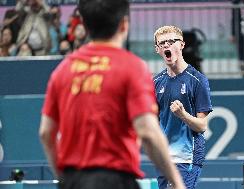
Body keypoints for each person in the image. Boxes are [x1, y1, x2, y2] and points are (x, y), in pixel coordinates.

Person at [39, 1, 185, 189]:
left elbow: (45, 133)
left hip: (72, 179)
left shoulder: (63, 70)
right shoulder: (132, 67)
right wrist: (178, 183)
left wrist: (64, 178)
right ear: (124, 24)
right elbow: (148, 133)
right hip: (115, 180)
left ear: (84, 24)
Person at [153, 25, 213, 189]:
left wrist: (183, 115)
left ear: (182, 45)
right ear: (157, 49)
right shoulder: (156, 83)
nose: (167, 45)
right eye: (162, 43)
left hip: (187, 156)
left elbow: (202, 126)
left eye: (171, 41)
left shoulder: (197, 80)